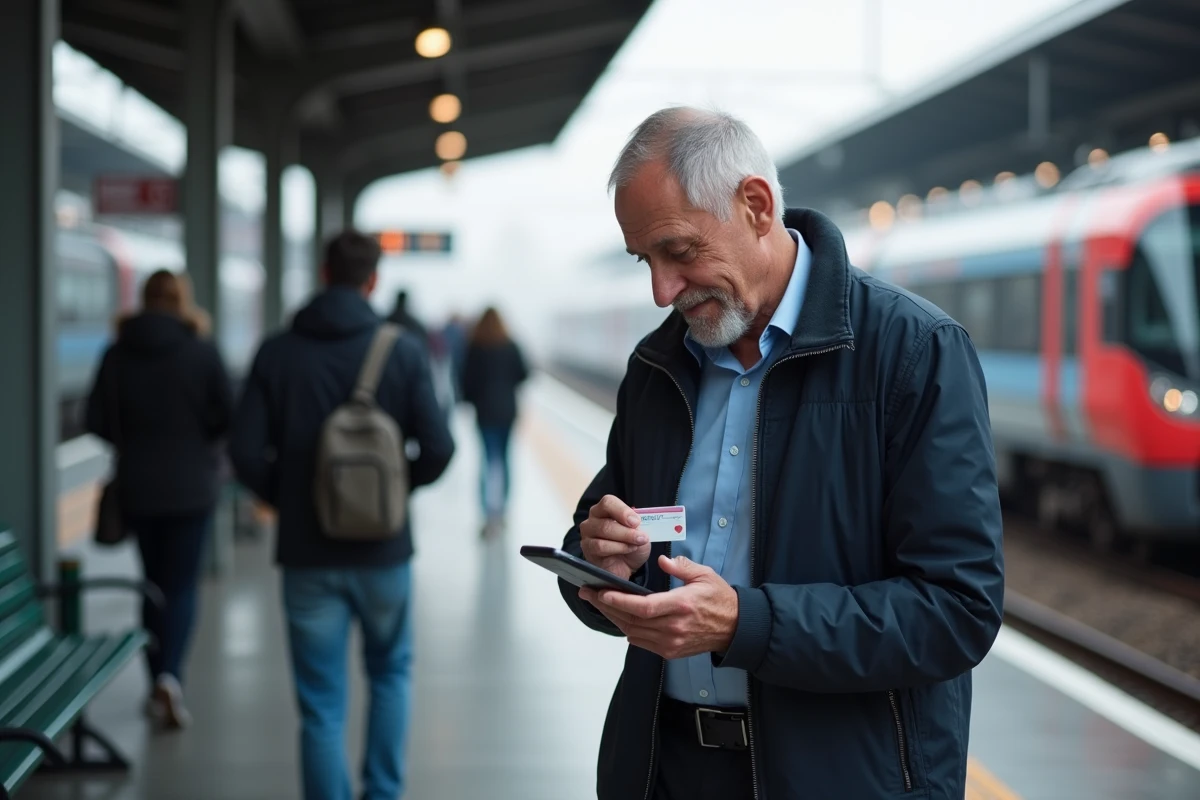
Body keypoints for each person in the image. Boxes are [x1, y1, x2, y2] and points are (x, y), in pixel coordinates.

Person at [557, 107, 1004, 800]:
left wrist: (745, 624)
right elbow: (600, 541)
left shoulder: (913, 352)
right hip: (665, 772)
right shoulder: (657, 367)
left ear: (757, 206)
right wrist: (600, 563)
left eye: (679, 251)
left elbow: (956, 611)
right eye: (645, 261)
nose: (661, 290)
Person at [229, 231, 455, 800]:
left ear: (324, 273)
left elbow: (244, 452)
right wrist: (395, 492)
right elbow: (439, 447)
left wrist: (290, 499)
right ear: (373, 280)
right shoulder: (401, 350)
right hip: (384, 551)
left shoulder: (277, 351)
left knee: (320, 704)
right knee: (390, 674)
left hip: (307, 555)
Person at [85, 269, 233, 730]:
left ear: (143, 299)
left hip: (138, 486)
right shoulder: (202, 351)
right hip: (192, 487)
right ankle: (171, 676)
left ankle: (154, 681)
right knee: (182, 585)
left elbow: (95, 419)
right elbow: (227, 414)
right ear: (183, 300)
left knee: (151, 582)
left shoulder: (116, 353)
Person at [460, 307, 529, 536]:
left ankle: (487, 514)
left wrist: (472, 399)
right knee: (505, 460)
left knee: (487, 461)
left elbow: (464, 380)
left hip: (484, 413)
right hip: (507, 412)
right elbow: (524, 374)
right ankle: (503, 511)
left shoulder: (474, 347)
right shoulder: (510, 345)